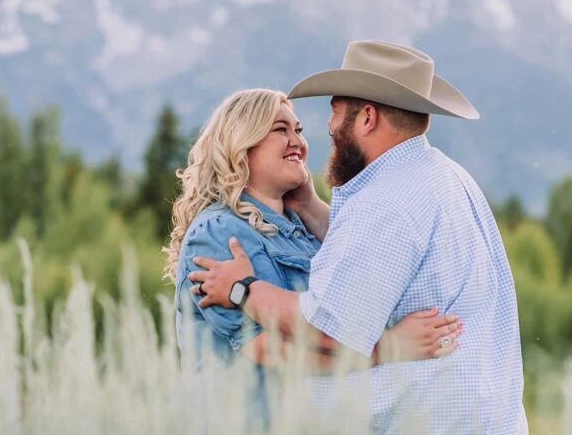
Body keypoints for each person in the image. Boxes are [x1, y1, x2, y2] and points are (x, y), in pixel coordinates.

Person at [189, 41, 530, 435]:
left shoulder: (387, 200)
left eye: (335, 111)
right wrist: (312, 207)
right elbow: (381, 266)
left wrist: (244, 289)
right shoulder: (442, 177)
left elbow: (327, 331)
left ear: (366, 117)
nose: (325, 128)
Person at [168, 88, 462, 372]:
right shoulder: (218, 232)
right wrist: (389, 348)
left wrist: (309, 205)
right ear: (241, 144)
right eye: (281, 129)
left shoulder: (299, 229)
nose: (297, 141)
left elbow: (357, 280)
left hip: (305, 421)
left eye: (299, 129)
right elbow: (274, 351)